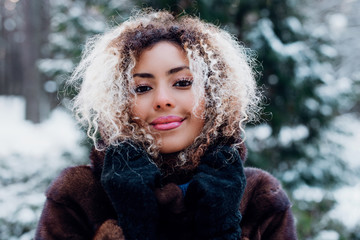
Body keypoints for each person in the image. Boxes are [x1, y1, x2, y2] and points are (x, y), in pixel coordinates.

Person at [35, 9, 297, 240]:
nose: (162, 100)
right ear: (118, 101)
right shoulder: (77, 195)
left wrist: (221, 229)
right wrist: (134, 224)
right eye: (142, 87)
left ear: (215, 93)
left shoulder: (260, 199)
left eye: (182, 83)